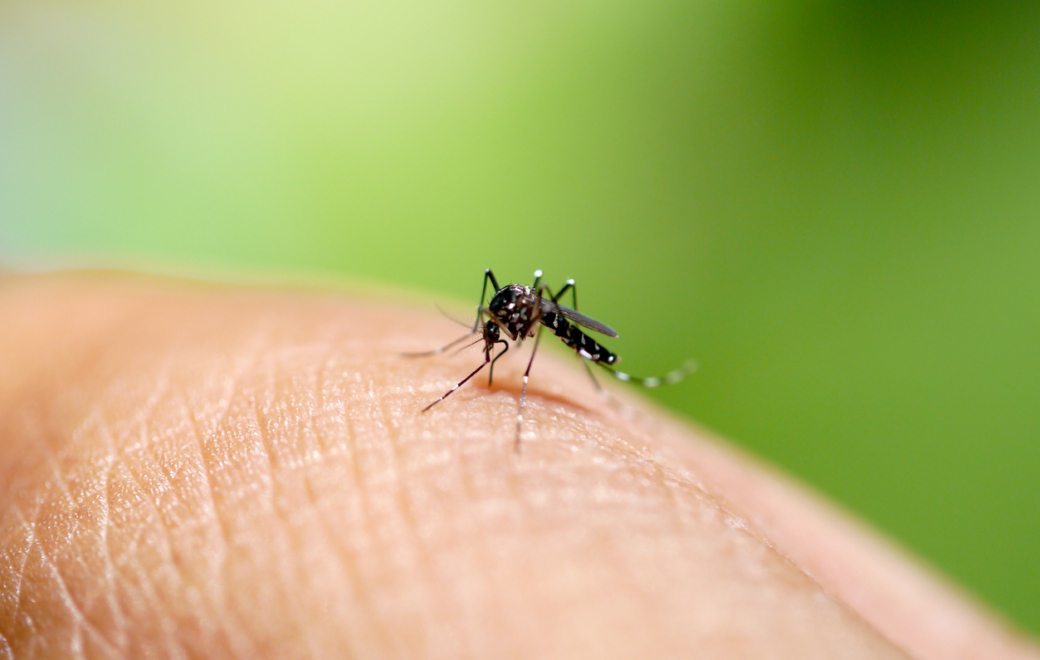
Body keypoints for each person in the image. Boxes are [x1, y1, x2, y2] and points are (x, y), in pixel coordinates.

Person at [1, 272, 1036, 659]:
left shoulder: (536, 321)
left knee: (541, 305)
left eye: (496, 328)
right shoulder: (500, 308)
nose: (498, 327)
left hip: (577, 339)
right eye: (495, 329)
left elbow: (530, 310)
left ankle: (555, 382)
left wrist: (523, 364)